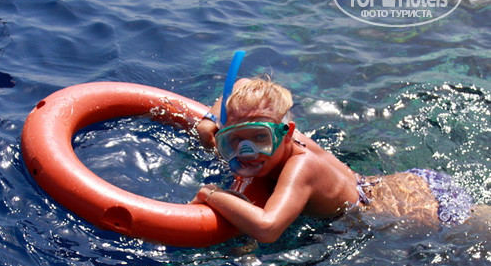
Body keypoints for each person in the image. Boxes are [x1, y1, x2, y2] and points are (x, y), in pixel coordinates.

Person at [191, 76, 484, 243]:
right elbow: (244, 82)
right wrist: (209, 122)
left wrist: (211, 194)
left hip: (417, 210)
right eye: (234, 140)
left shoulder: (301, 167)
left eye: (260, 137)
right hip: (399, 185)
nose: (248, 151)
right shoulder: (277, 128)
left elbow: (268, 228)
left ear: (286, 132)